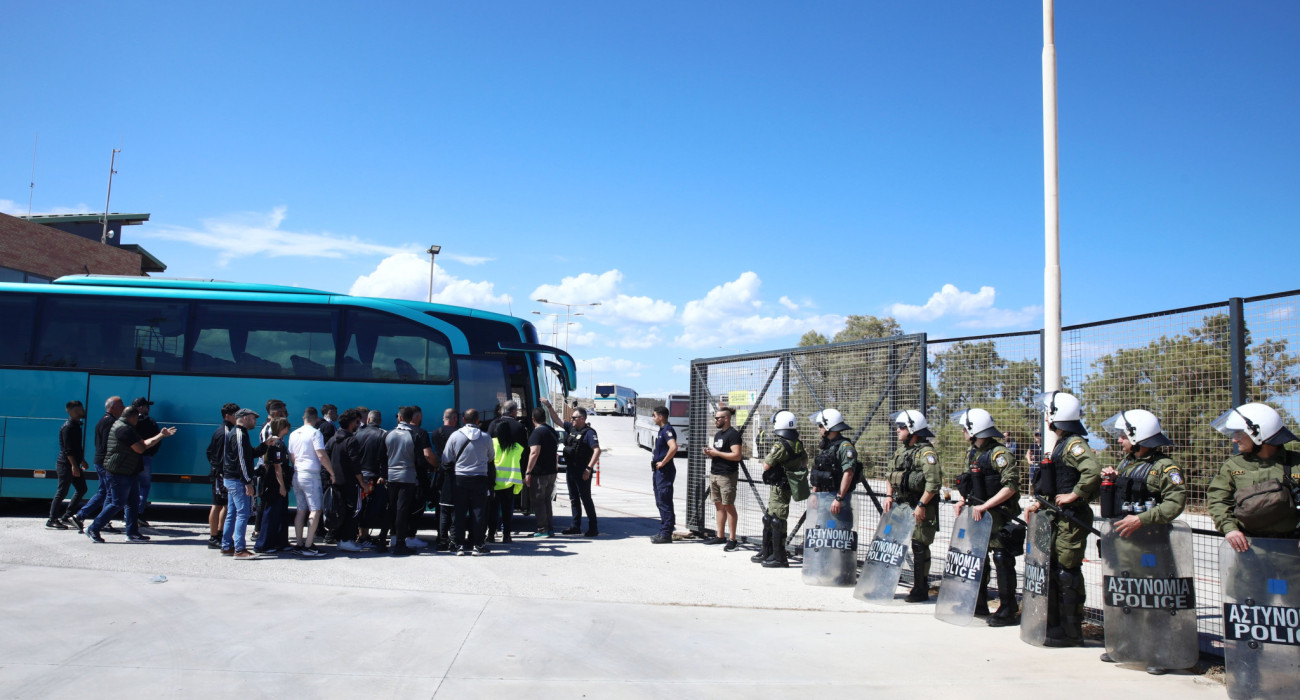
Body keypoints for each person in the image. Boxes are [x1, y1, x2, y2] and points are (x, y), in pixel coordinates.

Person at [1097, 409, 1187, 670]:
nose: (1119, 440)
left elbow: (1175, 503)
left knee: (1154, 598)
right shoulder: (1127, 463)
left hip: (1152, 543)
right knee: (1128, 595)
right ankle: (1129, 645)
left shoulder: (1165, 468)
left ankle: (1160, 652)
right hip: (1125, 544)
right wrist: (1114, 479)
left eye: (1124, 435)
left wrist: (1142, 519)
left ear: (1139, 437)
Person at [1026, 390, 1102, 647]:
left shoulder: (1073, 444)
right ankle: (1055, 626)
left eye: (1049, 412)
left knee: (1067, 572)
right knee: (1055, 571)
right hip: (1056, 516)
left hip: (1070, 517)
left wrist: (1074, 495)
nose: (1046, 417)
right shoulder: (1062, 444)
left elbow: (1092, 471)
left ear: (1057, 416)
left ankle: (1072, 632)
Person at [952, 408, 1022, 625]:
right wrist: (963, 500)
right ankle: (977, 602)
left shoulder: (999, 454)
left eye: (966, 428)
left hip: (997, 516)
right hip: (977, 515)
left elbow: (1010, 486)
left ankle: (1008, 609)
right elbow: (970, 482)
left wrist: (985, 507)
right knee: (977, 558)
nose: (963, 432)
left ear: (974, 430)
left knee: (1002, 559)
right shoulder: (973, 452)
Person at [1208, 402, 1300, 551]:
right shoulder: (1232, 466)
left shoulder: (1296, 463)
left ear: (1259, 434)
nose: (1234, 440)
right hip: (1249, 549)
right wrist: (1230, 528)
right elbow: (1218, 501)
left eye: (1239, 433)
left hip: (1292, 550)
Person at [85, 406, 176, 543]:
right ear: (132, 417)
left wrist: (161, 435)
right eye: (137, 419)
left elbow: (143, 444)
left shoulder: (124, 426)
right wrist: (159, 436)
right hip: (119, 472)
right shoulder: (124, 429)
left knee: (132, 503)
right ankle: (94, 527)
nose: (137, 422)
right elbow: (140, 448)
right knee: (117, 503)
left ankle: (132, 533)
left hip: (129, 471)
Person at [882, 409, 940, 603]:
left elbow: (933, 483)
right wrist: (889, 495)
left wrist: (922, 504)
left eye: (902, 427)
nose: (898, 431)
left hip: (920, 506)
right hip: (902, 505)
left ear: (913, 429)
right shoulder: (902, 451)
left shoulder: (927, 453)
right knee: (893, 543)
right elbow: (890, 474)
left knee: (919, 546)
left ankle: (920, 587)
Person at [752, 411, 809, 568]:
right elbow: (804, 461)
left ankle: (779, 556)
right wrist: (791, 470)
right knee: (770, 517)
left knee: (777, 520)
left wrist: (780, 467)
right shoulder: (797, 443)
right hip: (786, 484)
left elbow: (766, 465)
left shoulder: (780, 445)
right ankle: (768, 551)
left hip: (779, 487)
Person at [443, 408, 496, 555]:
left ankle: (458, 545)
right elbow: (491, 457)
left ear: (464, 420)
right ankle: (478, 545)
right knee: (478, 512)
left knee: (459, 512)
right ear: (478, 421)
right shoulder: (486, 437)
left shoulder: (455, 436)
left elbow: (446, 458)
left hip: (460, 478)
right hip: (480, 478)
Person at [384, 405, 433, 556]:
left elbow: (383, 457)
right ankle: (400, 543)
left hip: (391, 476)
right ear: (412, 417)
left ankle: (383, 540)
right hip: (408, 477)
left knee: (391, 509)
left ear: (399, 417)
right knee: (402, 511)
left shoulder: (389, 434)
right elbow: (420, 460)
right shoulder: (415, 435)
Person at [289, 406, 337, 556]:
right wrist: (331, 472)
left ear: (303, 418)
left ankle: (299, 543)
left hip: (297, 473)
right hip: (311, 474)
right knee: (315, 510)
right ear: (316, 419)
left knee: (301, 510)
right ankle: (309, 545)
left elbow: (292, 456)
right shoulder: (316, 433)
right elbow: (321, 455)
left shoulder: (293, 433)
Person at [548, 401, 600, 537]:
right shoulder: (572, 429)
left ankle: (593, 527)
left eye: (574, 418)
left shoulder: (589, 433)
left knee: (586, 498)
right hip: (571, 469)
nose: (571, 420)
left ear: (582, 419)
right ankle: (575, 526)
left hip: (583, 470)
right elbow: (557, 420)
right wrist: (549, 406)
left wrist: (589, 468)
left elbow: (597, 450)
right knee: (573, 498)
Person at [73, 396, 125, 532]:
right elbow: (110, 444)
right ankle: (103, 521)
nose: (123, 409)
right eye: (121, 406)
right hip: (105, 462)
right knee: (109, 493)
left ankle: (80, 516)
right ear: (112, 408)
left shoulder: (103, 420)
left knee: (103, 491)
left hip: (100, 460)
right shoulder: (110, 422)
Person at [222, 408, 267, 559]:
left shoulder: (236, 433)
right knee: (243, 513)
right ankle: (240, 549)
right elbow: (242, 461)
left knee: (232, 513)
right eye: (253, 419)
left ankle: (227, 545)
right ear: (245, 418)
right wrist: (248, 481)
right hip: (237, 480)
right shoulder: (240, 434)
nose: (255, 422)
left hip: (231, 479)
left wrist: (265, 445)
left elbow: (249, 454)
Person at [488, 401, 529, 541]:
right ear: (514, 411)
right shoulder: (518, 438)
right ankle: (506, 534)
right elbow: (525, 456)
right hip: (510, 480)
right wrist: (524, 473)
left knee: (492, 509)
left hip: (494, 480)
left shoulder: (493, 431)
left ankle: (491, 534)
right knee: (507, 508)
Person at [326, 408, 366, 553]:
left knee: (340, 510)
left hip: (336, 482)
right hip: (350, 482)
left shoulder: (332, 439)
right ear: (352, 423)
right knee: (354, 510)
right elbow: (355, 463)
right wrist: (362, 482)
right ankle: (347, 540)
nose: (359, 424)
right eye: (358, 422)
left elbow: (325, 457)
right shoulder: (351, 440)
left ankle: (340, 539)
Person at [201, 403, 239, 548]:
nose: (238, 417)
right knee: (217, 505)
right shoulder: (225, 432)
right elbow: (221, 455)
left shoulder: (226, 430)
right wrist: (220, 469)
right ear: (227, 416)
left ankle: (220, 533)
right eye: (236, 415)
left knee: (226, 505)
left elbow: (209, 452)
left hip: (221, 472)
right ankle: (213, 536)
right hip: (221, 474)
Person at [702, 406, 741, 549]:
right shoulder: (718, 435)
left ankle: (732, 539)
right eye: (715, 418)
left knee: (728, 506)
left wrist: (717, 453)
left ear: (726, 418)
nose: (716, 420)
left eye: (718, 418)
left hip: (727, 475)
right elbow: (718, 453)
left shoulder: (733, 435)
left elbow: (736, 455)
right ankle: (720, 536)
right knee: (718, 506)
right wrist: (709, 453)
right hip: (715, 473)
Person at [254, 417, 293, 555]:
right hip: (274, 483)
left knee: (280, 513)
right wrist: (281, 485)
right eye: (287, 426)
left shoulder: (277, 442)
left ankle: (279, 542)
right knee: (271, 513)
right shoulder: (277, 443)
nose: (288, 429)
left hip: (274, 481)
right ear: (283, 427)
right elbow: (277, 467)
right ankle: (262, 544)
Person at [48, 400, 89, 529]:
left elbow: (76, 447)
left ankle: (67, 516)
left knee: (82, 489)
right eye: (81, 408)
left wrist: (81, 460)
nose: (84, 410)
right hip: (65, 464)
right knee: (62, 491)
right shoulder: (69, 427)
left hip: (73, 463)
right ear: (74, 411)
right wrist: (74, 466)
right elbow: (68, 449)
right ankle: (52, 520)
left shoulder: (76, 425)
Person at [354, 410, 389, 549]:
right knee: (371, 507)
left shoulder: (357, 433)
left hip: (359, 476)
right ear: (379, 421)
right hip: (373, 476)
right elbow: (384, 458)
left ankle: (362, 535)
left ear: (368, 419)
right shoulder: (383, 434)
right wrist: (383, 475)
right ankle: (363, 537)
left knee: (360, 506)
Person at [525, 405, 560, 538]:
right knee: (547, 501)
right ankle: (549, 528)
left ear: (533, 419)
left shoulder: (537, 432)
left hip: (540, 474)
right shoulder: (551, 431)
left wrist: (528, 472)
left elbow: (534, 452)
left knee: (538, 501)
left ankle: (542, 529)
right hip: (551, 472)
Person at [649, 404, 678, 544]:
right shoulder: (662, 430)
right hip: (658, 472)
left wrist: (663, 462)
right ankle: (664, 530)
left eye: (654, 415)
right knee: (660, 501)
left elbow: (674, 447)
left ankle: (666, 533)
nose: (653, 418)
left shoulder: (667, 430)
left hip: (664, 471)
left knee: (664, 500)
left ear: (661, 416)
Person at [432, 408, 460, 550]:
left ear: (444, 418)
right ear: (454, 419)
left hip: (440, 471)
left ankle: (441, 538)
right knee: (455, 509)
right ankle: (454, 540)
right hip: (455, 472)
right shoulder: (457, 434)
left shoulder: (436, 432)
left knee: (442, 509)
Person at [130, 397, 161, 529]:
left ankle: (129, 515)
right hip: (145, 457)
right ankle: (138, 513)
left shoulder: (129, 422)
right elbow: (157, 440)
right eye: (147, 406)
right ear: (141, 408)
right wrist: (150, 453)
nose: (149, 408)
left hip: (131, 457)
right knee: (144, 486)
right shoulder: (150, 422)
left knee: (131, 487)